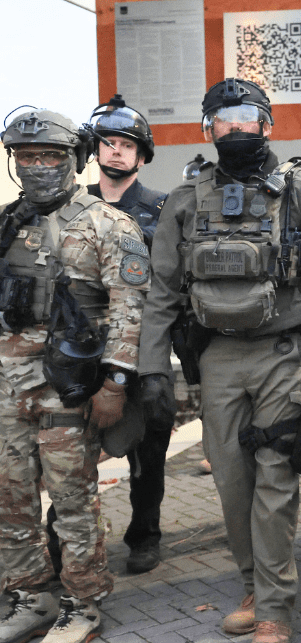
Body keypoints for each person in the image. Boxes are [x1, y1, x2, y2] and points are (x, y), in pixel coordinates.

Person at [137, 78, 301, 643]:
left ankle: (276, 612)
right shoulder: (186, 200)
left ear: (267, 124)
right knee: (232, 484)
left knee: (276, 480)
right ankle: (253, 588)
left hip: (282, 353)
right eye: (223, 119)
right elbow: (162, 290)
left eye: (246, 116)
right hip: (217, 357)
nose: (235, 128)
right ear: (208, 129)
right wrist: (152, 368)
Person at [0, 108, 149, 643]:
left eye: (49, 156)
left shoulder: (109, 224)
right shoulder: (7, 222)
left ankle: (82, 601)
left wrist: (114, 385)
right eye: (26, 156)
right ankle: (29, 595)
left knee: (72, 500)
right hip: (8, 387)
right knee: (10, 495)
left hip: (67, 386)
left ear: (74, 159)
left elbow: (131, 309)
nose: (37, 166)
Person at [88, 94, 170, 575]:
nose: (116, 152)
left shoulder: (161, 208)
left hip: (145, 345)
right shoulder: (74, 206)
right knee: (72, 449)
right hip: (83, 348)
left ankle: (145, 534)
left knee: (150, 447)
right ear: (96, 149)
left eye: (127, 145)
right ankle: (68, 538)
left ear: (141, 156)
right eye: (109, 143)